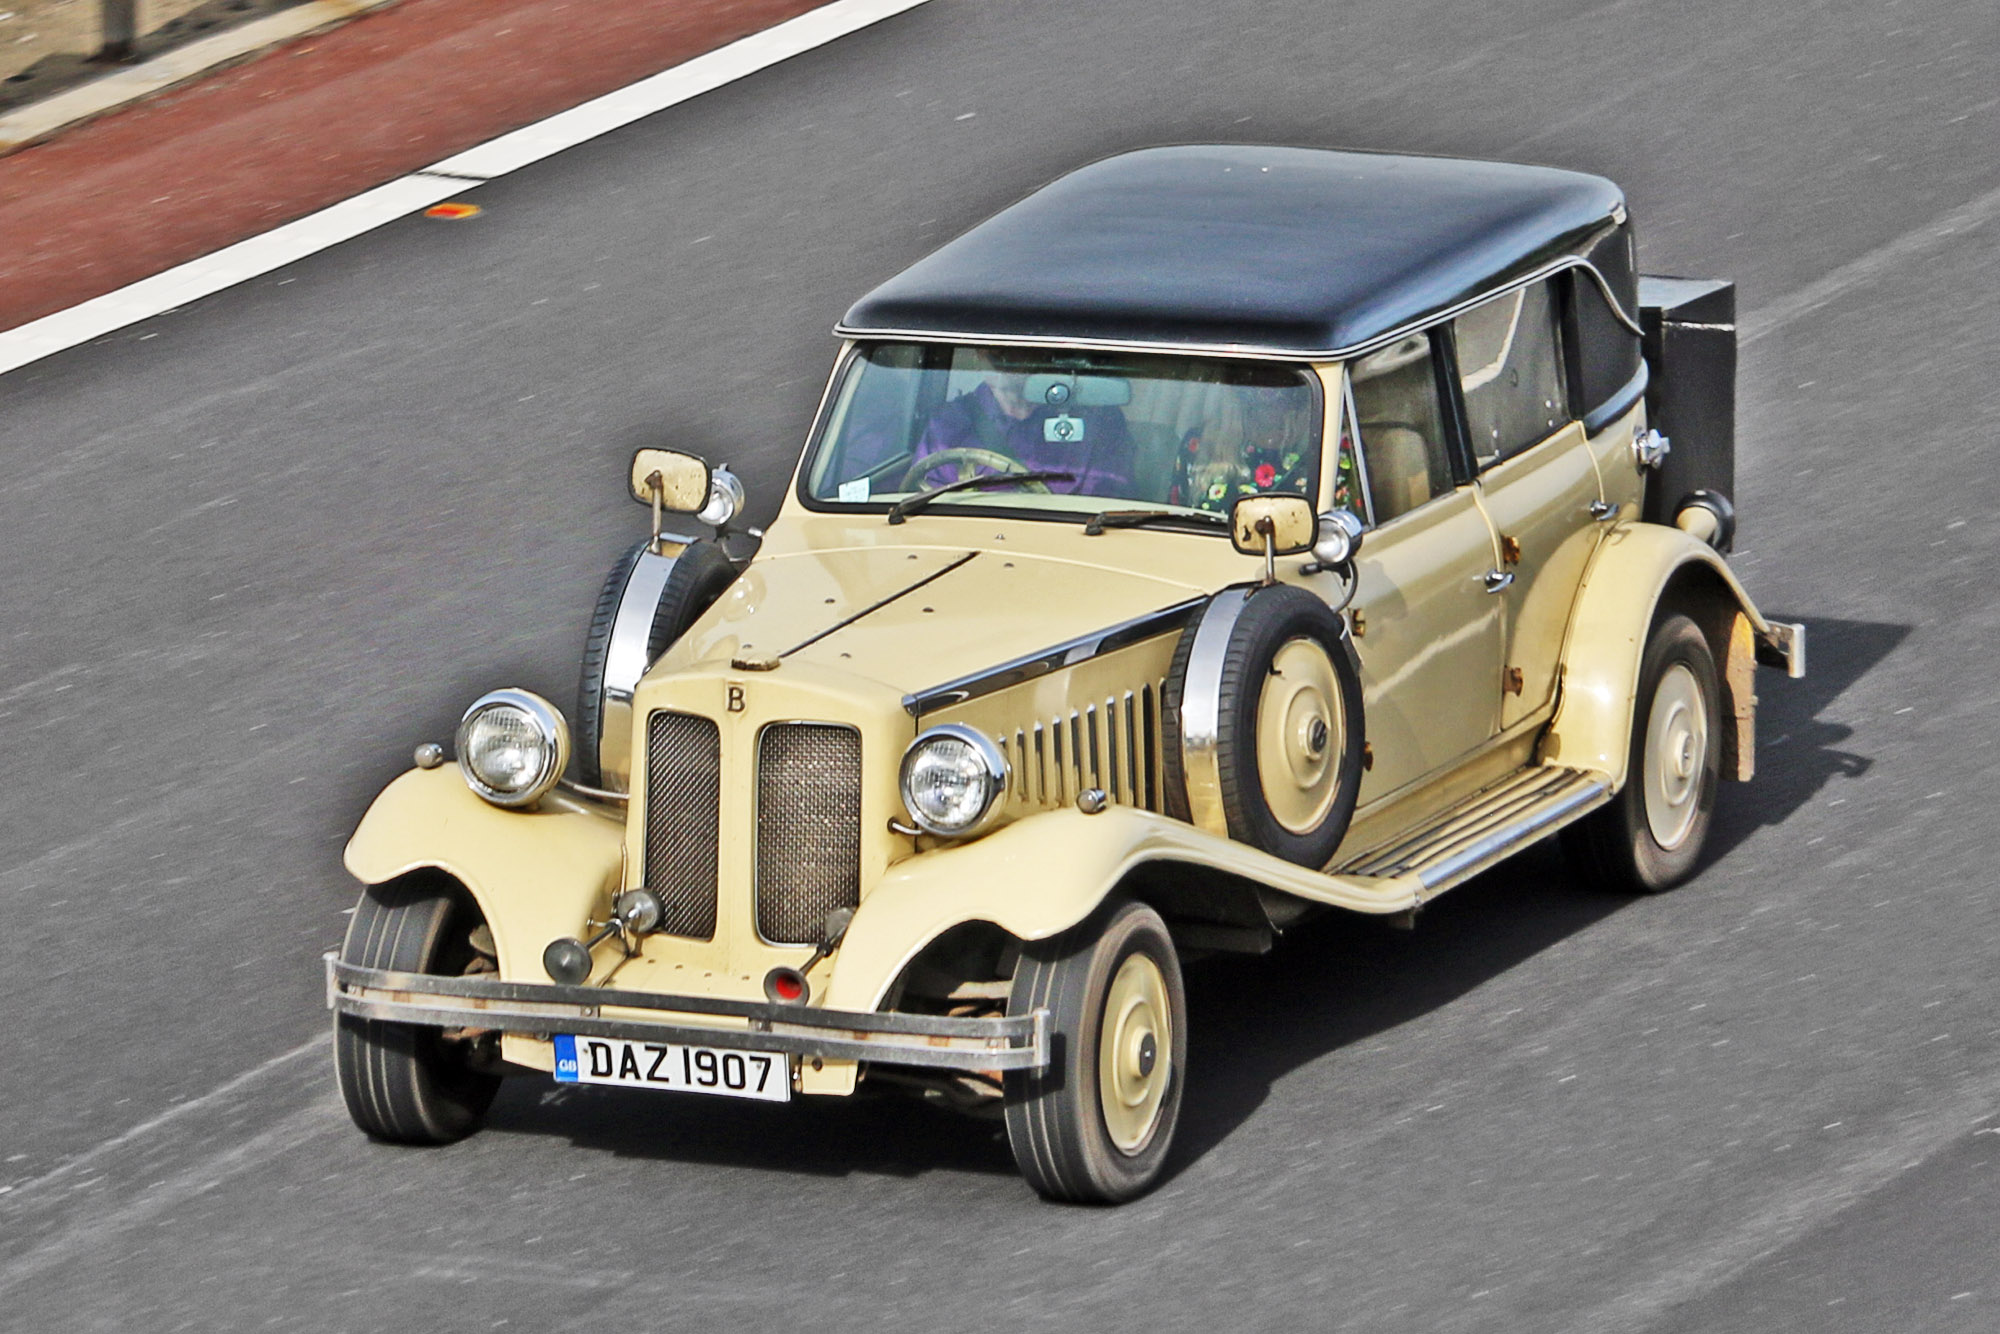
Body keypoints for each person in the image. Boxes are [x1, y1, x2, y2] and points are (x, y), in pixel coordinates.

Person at [909, 353, 1134, 496]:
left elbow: (1108, 496)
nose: (998, 355)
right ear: (978, 354)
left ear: (1043, 354)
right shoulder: (949, 422)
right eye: (989, 347)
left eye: (1011, 350)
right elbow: (924, 495)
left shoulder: (1097, 421)